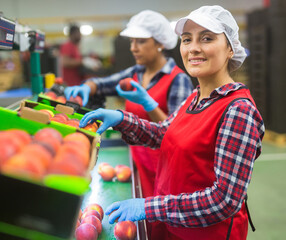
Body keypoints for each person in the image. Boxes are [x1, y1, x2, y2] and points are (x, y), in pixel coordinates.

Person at [79, 5, 265, 240]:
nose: (194, 48)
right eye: (187, 40)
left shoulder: (238, 111)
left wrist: (150, 207)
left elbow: (224, 201)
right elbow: (162, 133)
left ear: (230, 49)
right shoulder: (195, 97)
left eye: (206, 38)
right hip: (172, 226)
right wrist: (121, 119)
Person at [65, 10, 193, 200]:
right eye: (132, 41)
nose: (133, 48)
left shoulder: (178, 80)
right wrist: (86, 87)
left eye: (140, 41)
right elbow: (103, 84)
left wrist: (150, 105)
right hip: (136, 160)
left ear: (159, 43)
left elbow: (177, 134)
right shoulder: (136, 73)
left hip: (164, 168)